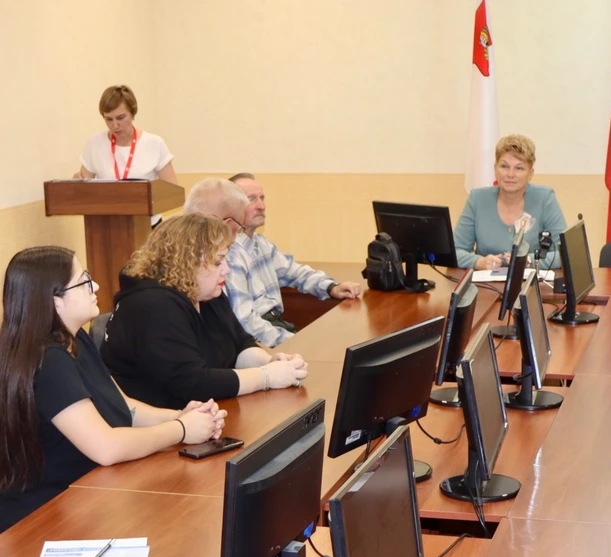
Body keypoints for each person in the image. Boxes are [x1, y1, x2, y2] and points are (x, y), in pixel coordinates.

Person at [0, 247, 226, 534]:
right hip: (45, 518)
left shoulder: (76, 339)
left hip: (89, 495)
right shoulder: (48, 360)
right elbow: (106, 447)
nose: (95, 286)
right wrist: (182, 430)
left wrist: (182, 415)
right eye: (84, 281)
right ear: (55, 301)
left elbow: (125, 406)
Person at [100, 214, 308, 410]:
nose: (226, 269)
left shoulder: (205, 292)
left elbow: (240, 344)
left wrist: (270, 363)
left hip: (204, 414)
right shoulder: (153, 306)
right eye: (218, 261)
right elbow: (193, 384)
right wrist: (266, 377)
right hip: (157, 423)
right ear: (186, 263)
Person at [212, 173, 362, 347]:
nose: (261, 206)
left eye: (262, 198)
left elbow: (295, 272)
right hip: (260, 342)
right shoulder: (230, 254)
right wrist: (294, 342)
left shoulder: (260, 243)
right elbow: (245, 322)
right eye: (251, 199)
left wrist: (331, 287)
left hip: (275, 328)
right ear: (231, 208)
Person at [454, 134, 567, 270]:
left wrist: (527, 261)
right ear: (495, 169)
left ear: (530, 173)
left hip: (529, 281)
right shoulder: (477, 199)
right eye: (504, 166)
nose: (510, 174)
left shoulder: (544, 198)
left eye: (519, 168)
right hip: (486, 282)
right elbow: (455, 250)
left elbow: (564, 253)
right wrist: (479, 262)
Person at [73, 85, 177, 227]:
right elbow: (85, 189)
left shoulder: (154, 143)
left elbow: (172, 190)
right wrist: (77, 183)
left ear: (132, 113)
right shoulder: (94, 144)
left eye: (120, 118)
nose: (115, 125)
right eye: (108, 119)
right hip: (107, 225)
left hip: (147, 224)